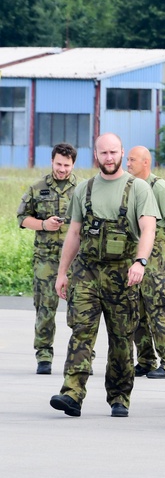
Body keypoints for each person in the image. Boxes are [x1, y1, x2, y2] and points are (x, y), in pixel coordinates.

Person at [49, 133, 158, 418]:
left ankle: (120, 396)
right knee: (81, 331)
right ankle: (72, 392)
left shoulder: (138, 189)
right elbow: (74, 233)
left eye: (113, 152)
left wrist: (141, 262)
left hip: (123, 272)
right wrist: (63, 273)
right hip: (87, 271)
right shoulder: (83, 189)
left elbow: (148, 229)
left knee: (121, 338)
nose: (108, 158)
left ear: (122, 152)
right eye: (103, 153)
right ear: (95, 155)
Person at [18, 142, 78, 375]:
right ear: (52, 161)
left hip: (75, 260)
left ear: (73, 164)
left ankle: (83, 356)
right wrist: (43, 224)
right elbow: (22, 218)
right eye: (58, 164)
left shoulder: (83, 189)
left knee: (81, 309)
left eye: (66, 165)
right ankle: (44, 355)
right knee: (45, 308)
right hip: (46, 258)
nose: (62, 169)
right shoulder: (37, 187)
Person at [126, 146, 165, 379]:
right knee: (136, 312)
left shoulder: (158, 187)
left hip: (157, 263)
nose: (127, 164)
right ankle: (146, 360)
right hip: (134, 258)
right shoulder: (128, 186)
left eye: (132, 160)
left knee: (160, 312)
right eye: (127, 159)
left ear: (145, 163)